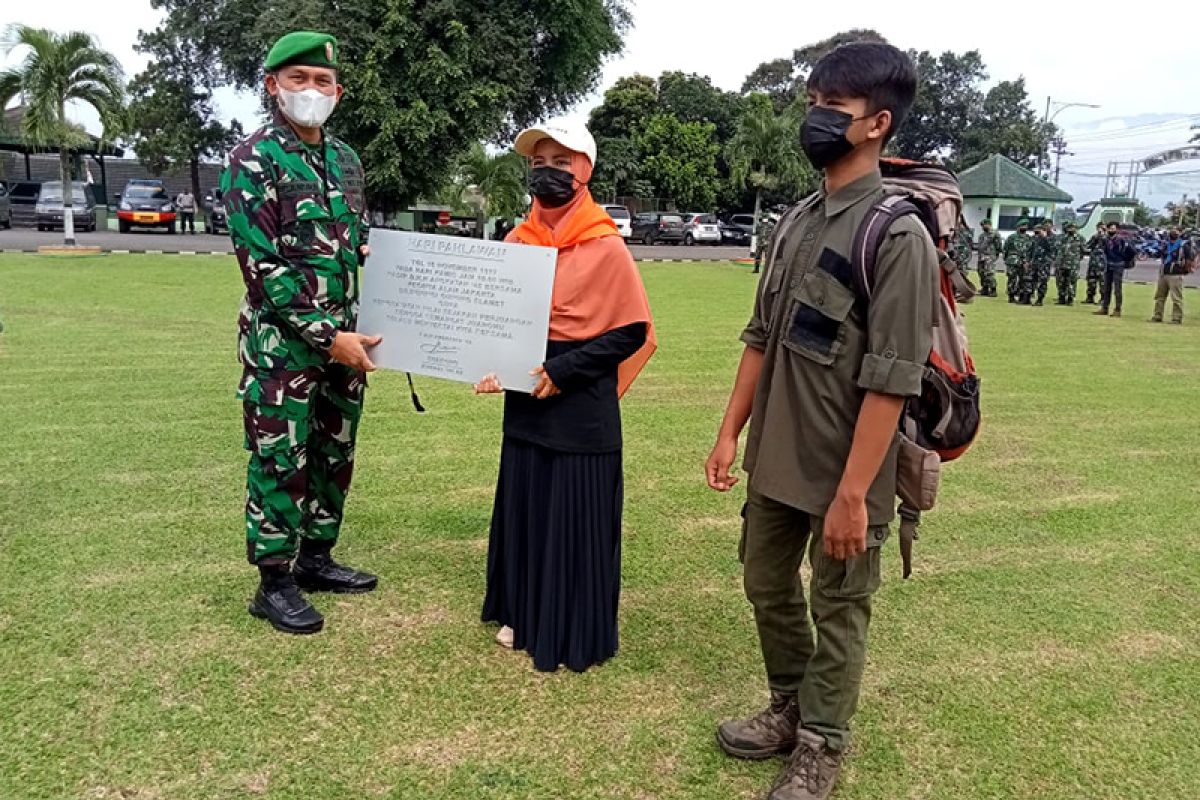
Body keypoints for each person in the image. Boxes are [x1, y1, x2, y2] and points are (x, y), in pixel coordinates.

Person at [705, 43, 936, 800]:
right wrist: (729, 431)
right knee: (765, 582)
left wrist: (852, 493)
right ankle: (790, 703)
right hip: (776, 456)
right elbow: (759, 336)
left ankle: (821, 746)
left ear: (877, 124)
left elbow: (893, 380)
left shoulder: (898, 235)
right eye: (812, 104)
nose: (814, 120)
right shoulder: (799, 219)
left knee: (838, 607)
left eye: (831, 109)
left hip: (848, 467)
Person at [474, 119, 656, 673]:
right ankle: (523, 612)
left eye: (561, 161)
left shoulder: (605, 244)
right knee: (528, 508)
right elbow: (494, 320)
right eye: (539, 163)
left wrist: (565, 368)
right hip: (526, 402)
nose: (548, 172)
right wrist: (483, 362)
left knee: (573, 514)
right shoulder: (516, 242)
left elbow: (630, 330)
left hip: (580, 408)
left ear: (585, 170)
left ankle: (568, 624)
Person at [221, 31, 378, 635]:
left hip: (347, 342)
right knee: (280, 457)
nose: (312, 90)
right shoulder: (253, 158)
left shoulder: (345, 160)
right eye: (298, 79)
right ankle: (274, 581)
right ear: (272, 86)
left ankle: (316, 557)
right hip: (282, 348)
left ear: (338, 91)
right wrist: (326, 335)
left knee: (333, 451)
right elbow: (263, 269)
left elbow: (357, 243)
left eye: (322, 81)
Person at [1151, 227, 1195, 324]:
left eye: (1177, 231)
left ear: (1180, 233)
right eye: (1172, 230)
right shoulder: (1166, 245)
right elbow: (1158, 254)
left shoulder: (1183, 246)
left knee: (1176, 297)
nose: (1174, 232)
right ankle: (1157, 316)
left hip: (1176, 273)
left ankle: (1176, 318)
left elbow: (1189, 259)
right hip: (1164, 273)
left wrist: (1185, 270)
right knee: (1159, 296)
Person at [1095, 222, 1136, 318]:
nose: (1111, 230)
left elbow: (1132, 252)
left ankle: (1117, 309)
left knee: (1117, 289)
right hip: (1108, 265)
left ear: (1117, 229)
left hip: (1118, 265)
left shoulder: (1122, 240)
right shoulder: (1106, 240)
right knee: (1106, 288)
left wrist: (1123, 259)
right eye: (1109, 228)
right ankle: (1104, 308)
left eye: (1113, 228)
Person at [1003, 219, 1034, 304]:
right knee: (1011, 279)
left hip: (1024, 262)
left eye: (1026, 226)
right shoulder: (1012, 237)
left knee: (1023, 280)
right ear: (1018, 227)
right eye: (1022, 226)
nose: (1024, 227)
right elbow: (1005, 249)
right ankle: (1011, 296)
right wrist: (1006, 259)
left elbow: (1031, 250)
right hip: (1012, 261)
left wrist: (1028, 261)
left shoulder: (1029, 238)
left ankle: (1021, 296)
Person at [1055, 221, 1086, 305]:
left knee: (1072, 281)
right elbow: (1058, 249)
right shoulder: (1063, 238)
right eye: (1069, 228)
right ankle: (1061, 298)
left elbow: (1084, 250)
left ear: (1076, 229)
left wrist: (1077, 258)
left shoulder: (1080, 238)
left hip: (1073, 264)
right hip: (1062, 263)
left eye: (1073, 228)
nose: (1071, 229)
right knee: (1062, 281)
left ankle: (1070, 299)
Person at [1029, 221, 1057, 306]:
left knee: (1042, 281)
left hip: (1044, 263)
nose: (1038, 231)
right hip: (1035, 262)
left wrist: (1045, 238)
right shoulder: (1035, 238)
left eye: (1040, 230)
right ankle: (1028, 297)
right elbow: (1031, 250)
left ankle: (1040, 299)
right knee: (1031, 280)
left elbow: (1053, 249)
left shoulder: (1051, 238)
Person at [975, 218, 1002, 297]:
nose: (983, 226)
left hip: (989, 256)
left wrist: (994, 255)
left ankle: (993, 290)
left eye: (984, 225)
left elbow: (999, 246)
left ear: (989, 224)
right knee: (981, 272)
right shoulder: (982, 235)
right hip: (981, 257)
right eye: (982, 225)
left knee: (989, 273)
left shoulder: (995, 234)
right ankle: (985, 288)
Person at [1084, 224, 1108, 304]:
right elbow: (1088, 246)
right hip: (1093, 263)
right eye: (1099, 228)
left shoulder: (1107, 238)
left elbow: (1108, 246)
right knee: (1091, 281)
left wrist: (1103, 236)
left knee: (1103, 282)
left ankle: (1103, 299)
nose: (1100, 230)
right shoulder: (1094, 237)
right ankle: (1090, 297)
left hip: (1102, 264)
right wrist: (1096, 237)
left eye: (1102, 228)